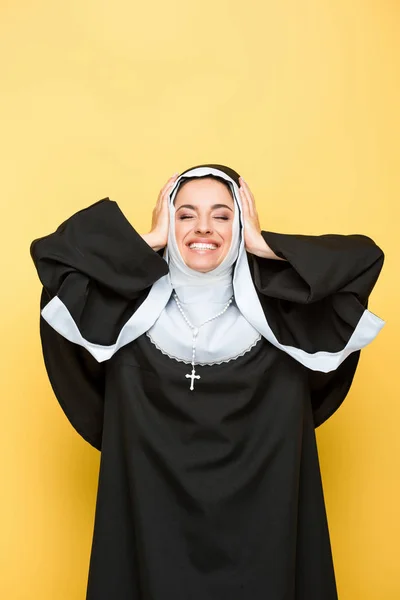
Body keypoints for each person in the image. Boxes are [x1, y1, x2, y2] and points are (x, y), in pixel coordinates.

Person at [30, 163, 385, 600]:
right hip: (150, 517)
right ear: (166, 220)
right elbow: (53, 260)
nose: (204, 228)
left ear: (241, 223)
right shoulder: (127, 312)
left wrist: (262, 244)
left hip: (263, 532)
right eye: (185, 215)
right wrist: (147, 242)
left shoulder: (282, 314)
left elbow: (364, 260)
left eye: (222, 215)